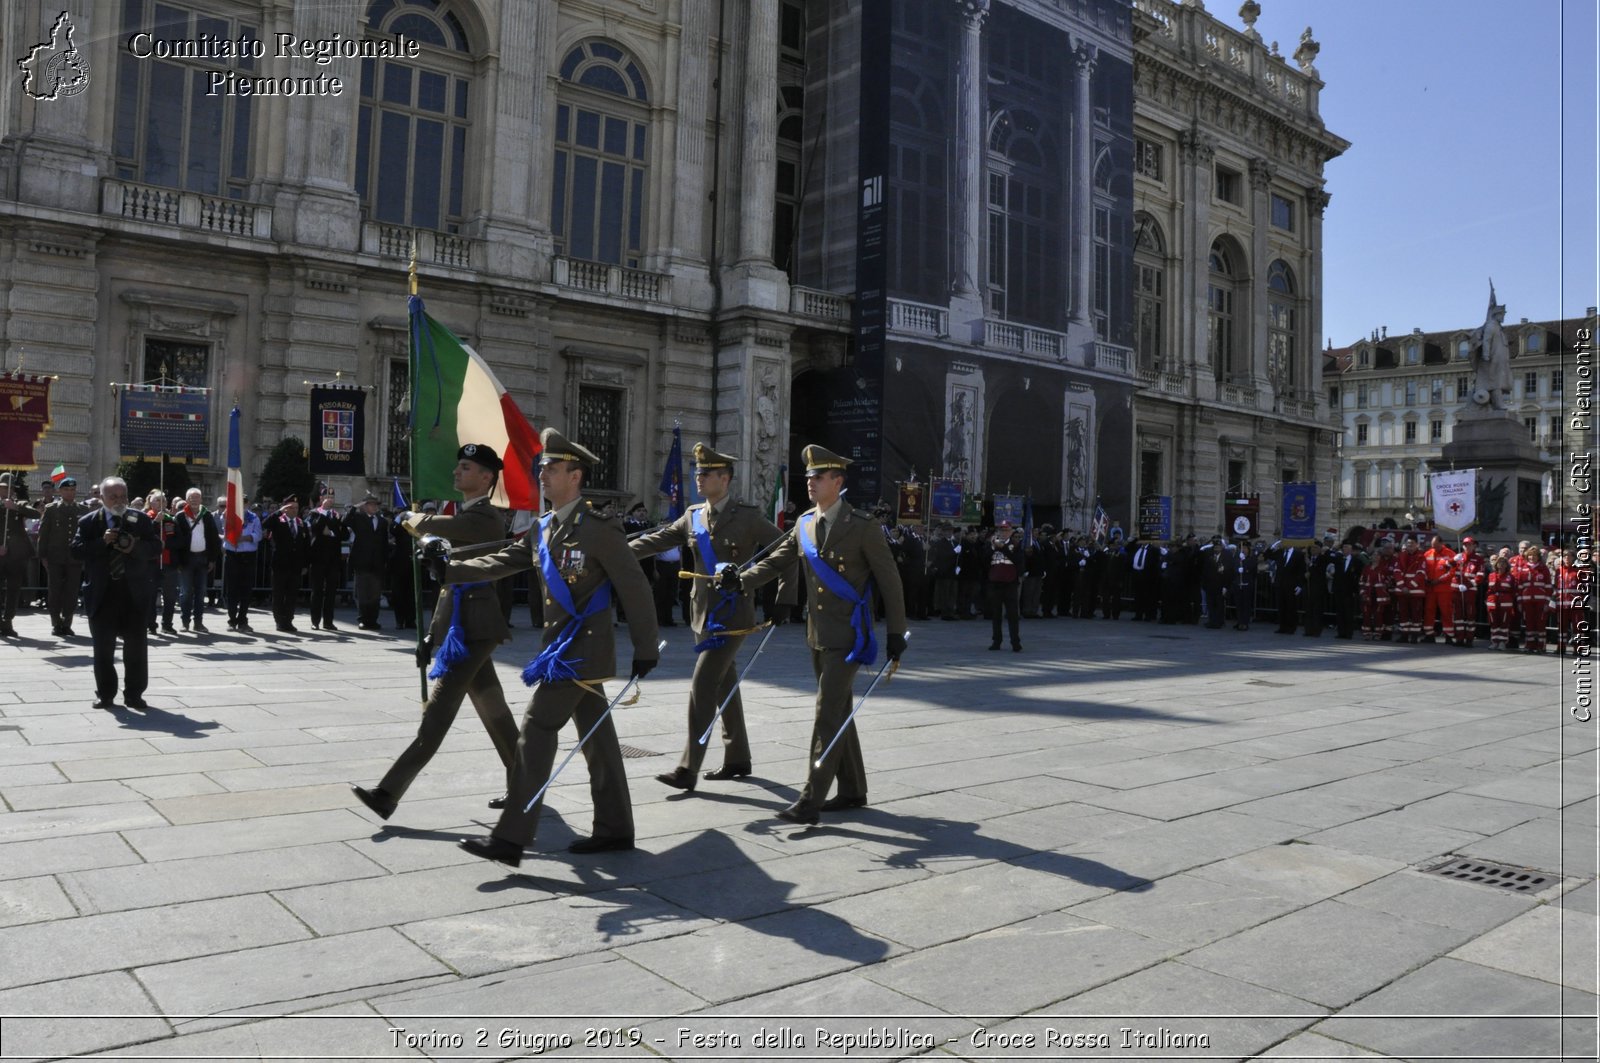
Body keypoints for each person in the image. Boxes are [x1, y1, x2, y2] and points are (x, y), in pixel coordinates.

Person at [452, 429, 660, 867]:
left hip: (581, 650)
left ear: (575, 475)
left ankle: (510, 837)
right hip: (560, 649)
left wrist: (645, 645)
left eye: (551, 467)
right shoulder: (545, 527)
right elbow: (504, 561)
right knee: (597, 739)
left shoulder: (599, 529)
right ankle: (616, 828)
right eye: (541, 467)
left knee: (536, 728)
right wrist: (450, 568)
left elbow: (634, 587)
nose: (541, 473)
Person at [722, 445, 907, 825]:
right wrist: (740, 579)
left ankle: (810, 800)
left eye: (818, 477)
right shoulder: (805, 522)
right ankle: (853, 789)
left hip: (851, 635)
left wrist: (896, 633)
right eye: (808, 476)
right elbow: (778, 560)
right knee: (838, 709)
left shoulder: (862, 526)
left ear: (838, 482)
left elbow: (890, 581)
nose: (809, 482)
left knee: (826, 712)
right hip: (818, 633)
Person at [352, 444, 523, 821]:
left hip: (475, 631)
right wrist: (432, 635)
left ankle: (388, 793)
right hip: (464, 631)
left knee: (437, 715)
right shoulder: (464, 513)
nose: (456, 473)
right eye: (458, 466)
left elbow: (440, 531)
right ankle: (525, 784)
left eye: (465, 468)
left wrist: (410, 517)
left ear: (486, 478)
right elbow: (450, 587)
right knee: (496, 713)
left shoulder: (485, 518)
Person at [630, 443, 795, 789]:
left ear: (725, 478)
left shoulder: (747, 516)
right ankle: (737, 758)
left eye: (706, 473)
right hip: (700, 613)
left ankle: (688, 768)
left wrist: (784, 595)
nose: (698, 478)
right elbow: (658, 540)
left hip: (733, 615)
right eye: (698, 472)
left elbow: (788, 548)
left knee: (702, 685)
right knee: (724, 686)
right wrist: (616, 551)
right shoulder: (692, 515)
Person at [72, 477, 159, 709]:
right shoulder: (89, 522)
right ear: (102, 498)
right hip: (103, 593)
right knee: (103, 649)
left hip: (134, 594)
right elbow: (76, 551)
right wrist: (102, 543)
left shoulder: (140, 519)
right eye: (113, 497)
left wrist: (133, 547)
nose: (119, 501)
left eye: (123, 496)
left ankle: (134, 693)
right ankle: (105, 694)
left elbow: (155, 547)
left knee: (136, 649)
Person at [38, 476, 88, 637]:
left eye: (73, 490)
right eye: (66, 490)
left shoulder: (82, 509)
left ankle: (67, 623)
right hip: (55, 557)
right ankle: (56, 623)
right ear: (60, 491)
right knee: (55, 590)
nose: (70, 493)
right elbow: (43, 534)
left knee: (72, 591)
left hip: (74, 557)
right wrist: (42, 556)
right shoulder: (52, 508)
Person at [171, 488, 220, 633]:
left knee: (200, 592)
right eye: (191, 498)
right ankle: (185, 622)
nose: (194, 500)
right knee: (185, 592)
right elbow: (175, 540)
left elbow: (213, 538)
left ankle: (198, 622)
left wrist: (212, 559)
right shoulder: (180, 517)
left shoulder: (207, 516)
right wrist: (178, 561)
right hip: (186, 560)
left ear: (201, 500)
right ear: (187, 500)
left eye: (197, 497)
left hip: (203, 558)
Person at [0, 473, 41, 638]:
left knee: (14, 589)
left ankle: (8, 620)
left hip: (17, 555)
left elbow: (36, 514)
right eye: (3, 488)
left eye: (9, 488)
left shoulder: (20, 503)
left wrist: (15, 507)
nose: (6, 491)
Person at [261, 495, 310, 632]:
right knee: (279, 594)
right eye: (291, 508)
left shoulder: (301, 523)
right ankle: (279, 621)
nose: (294, 510)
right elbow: (264, 524)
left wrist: (305, 564)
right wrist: (278, 512)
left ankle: (288, 620)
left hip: (295, 565)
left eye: (296, 508)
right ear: (285, 509)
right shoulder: (278, 521)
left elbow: (305, 546)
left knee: (292, 594)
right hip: (280, 564)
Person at [346, 494, 390, 630]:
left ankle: (373, 619)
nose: (374, 507)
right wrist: (354, 507)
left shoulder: (382, 522)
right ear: (365, 506)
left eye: (376, 504)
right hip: (362, 561)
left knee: (375, 594)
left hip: (377, 562)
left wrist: (385, 560)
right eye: (371, 504)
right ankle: (363, 619)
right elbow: (346, 521)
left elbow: (384, 542)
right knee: (363, 593)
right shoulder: (358, 518)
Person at [306, 492, 347, 631]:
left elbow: (344, 534)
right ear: (321, 499)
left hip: (333, 558)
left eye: (332, 497)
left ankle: (328, 621)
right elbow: (315, 529)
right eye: (327, 497)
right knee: (317, 590)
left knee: (331, 591)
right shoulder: (314, 513)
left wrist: (332, 533)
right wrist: (323, 514)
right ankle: (315, 621)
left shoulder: (337, 514)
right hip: (318, 557)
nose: (330, 500)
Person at [222, 497, 263, 631]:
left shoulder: (254, 518)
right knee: (232, 589)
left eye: (244, 502)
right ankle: (231, 619)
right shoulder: (228, 516)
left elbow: (258, 535)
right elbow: (225, 531)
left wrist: (244, 538)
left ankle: (243, 620)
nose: (242, 505)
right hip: (233, 554)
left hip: (248, 556)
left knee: (246, 589)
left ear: (248, 503)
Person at [985, 521, 1023, 651]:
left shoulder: (1015, 545)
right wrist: (992, 547)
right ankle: (996, 641)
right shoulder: (991, 545)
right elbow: (983, 560)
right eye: (1001, 530)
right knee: (996, 615)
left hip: (1010, 584)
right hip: (995, 584)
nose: (1004, 533)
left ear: (1011, 532)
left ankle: (1015, 642)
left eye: (1006, 530)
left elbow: (1018, 561)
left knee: (1013, 615)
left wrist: (1003, 548)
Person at [1420, 534, 1458, 643]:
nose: (1434, 548)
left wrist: (1439, 580)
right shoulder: (1427, 554)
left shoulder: (1450, 554)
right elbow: (1423, 568)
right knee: (1428, 611)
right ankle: (1429, 634)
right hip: (1430, 588)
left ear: (1442, 543)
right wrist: (1427, 579)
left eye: (1436, 546)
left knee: (1446, 612)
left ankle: (1449, 635)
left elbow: (1452, 571)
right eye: (1432, 546)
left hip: (1444, 589)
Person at [1517, 545, 1552, 653]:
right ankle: (1530, 645)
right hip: (1527, 601)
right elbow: (1519, 586)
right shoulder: (1523, 568)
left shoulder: (1543, 568)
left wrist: (1547, 602)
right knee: (1529, 623)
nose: (1532, 558)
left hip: (1540, 601)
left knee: (1540, 623)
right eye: (1530, 556)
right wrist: (1519, 601)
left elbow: (1548, 586)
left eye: (1534, 556)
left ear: (1538, 557)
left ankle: (1541, 646)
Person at [1391, 536, 1427, 642]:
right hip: (1403, 591)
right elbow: (1397, 571)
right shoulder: (1401, 556)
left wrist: (1409, 587)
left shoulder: (1421, 557)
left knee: (1416, 614)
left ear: (1417, 545)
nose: (1409, 546)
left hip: (1415, 591)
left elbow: (1421, 574)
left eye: (1412, 544)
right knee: (1403, 613)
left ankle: (1414, 636)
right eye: (1408, 544)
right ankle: (1404, 635)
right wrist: (1402, 586)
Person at [1452, 536, 1486, 647]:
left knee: (1470, 615)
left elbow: (1480, 576)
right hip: (1457, 590)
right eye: (1465, 545)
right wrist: (1452, 560)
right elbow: (1445, 567)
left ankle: (1469, 639)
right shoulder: (1459, 557)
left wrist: (1469, 585)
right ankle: (1459, 638)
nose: (1467, 546)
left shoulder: (1478, 559)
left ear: (1473, 546)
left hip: (1469, 591)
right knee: (1458, 616)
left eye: (1469, 544)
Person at [1360, 538, 1395, 640]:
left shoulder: (1383, 568)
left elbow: (1389, 580)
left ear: (1380, 557)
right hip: (1368, 594)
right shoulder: (1366, 568)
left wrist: (1384, 587)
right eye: (1373, 555)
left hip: (1379, 595)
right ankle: (1367, 633)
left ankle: (1378, 633)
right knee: (1366, 614)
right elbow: (1362, 581)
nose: (1375, 557)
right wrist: (1362, 592)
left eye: (1377, 555)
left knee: (1378, 614)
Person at [1331, 540, 1364, 639]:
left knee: (1349, 612)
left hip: (1350, 591)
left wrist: (1356, 590)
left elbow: (1359, 576)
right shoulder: (1338, 559)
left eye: (1347, 547)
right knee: (1340, 611)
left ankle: (1349, 632)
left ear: (1351, 549)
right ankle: (1341, 632)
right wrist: (1334, 548)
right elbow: (1328, 556)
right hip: (1339, 589)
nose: (1344, 549)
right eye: (1344, 547)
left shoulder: (1357, 561)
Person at [1273, 541, 1306, 634]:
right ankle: (1282, 627)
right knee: (1281, 606)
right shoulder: (1280, 552)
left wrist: (1300, 585)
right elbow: (1268, 554)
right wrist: (1275, 545)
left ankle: (1291, 627)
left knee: (1291, 607)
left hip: (1292, 585)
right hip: (1280, 584)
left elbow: (1301, 570)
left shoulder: (1298, 554)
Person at [1485, 555, 1517, 650]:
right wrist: (1487, 600)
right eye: (1499, 563)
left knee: (1504, 623)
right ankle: (1494, 641)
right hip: (1493, 601)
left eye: (1503, 563)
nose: (1501, 565)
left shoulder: (1510, 577)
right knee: (1494, 622)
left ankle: (1502, 642)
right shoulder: (1491, 575)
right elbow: (1489, 590)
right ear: (1496, 564)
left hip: (1505, 602)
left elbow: (1513, 590)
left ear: (1507, 565)